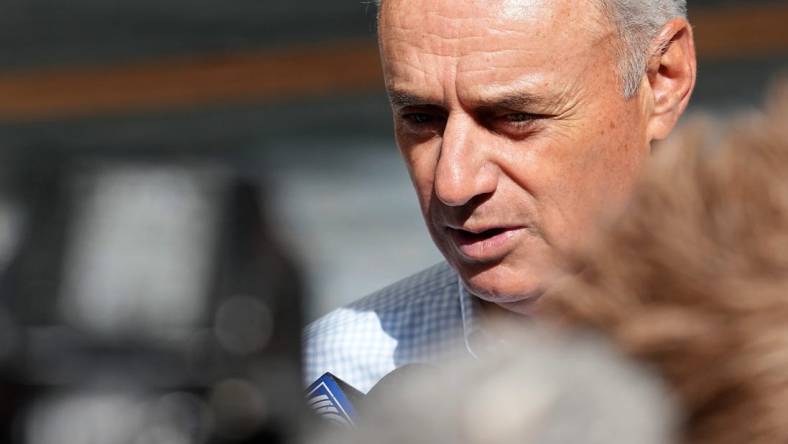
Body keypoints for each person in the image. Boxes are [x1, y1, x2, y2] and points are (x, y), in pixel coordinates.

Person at [304, 0, 696, 392]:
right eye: (421, 118)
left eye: (515, 118)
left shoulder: (751, 356)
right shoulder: (326, 380)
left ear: (662, 79)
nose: (453, 183)